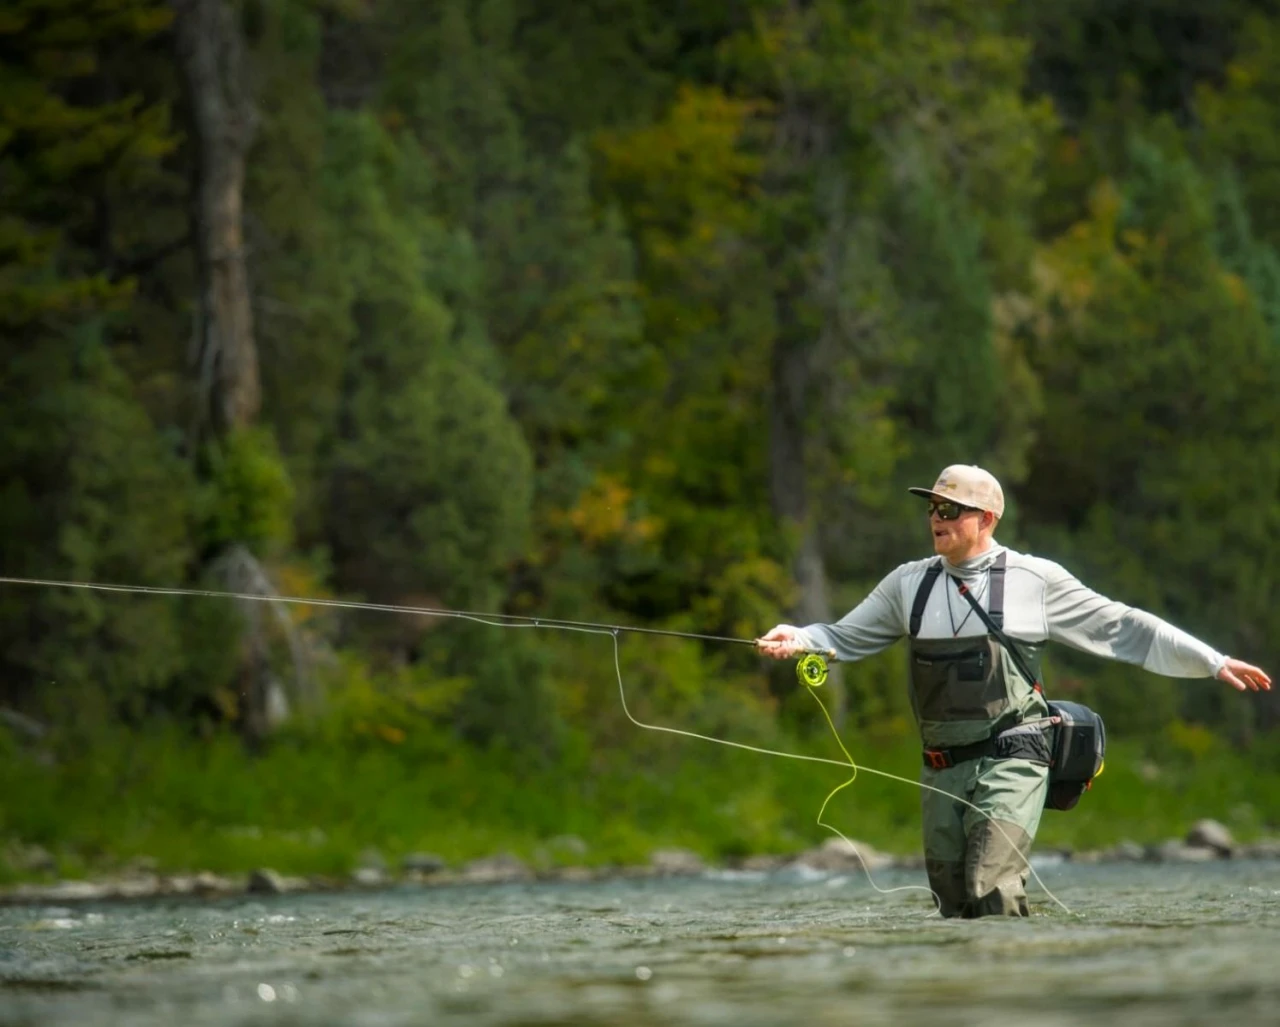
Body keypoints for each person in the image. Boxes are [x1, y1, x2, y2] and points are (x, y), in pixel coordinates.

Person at [757, 464, 1271, 918]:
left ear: (987, 519)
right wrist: (797, 638)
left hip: (1015, 756)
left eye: (953, 509)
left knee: (991, 888)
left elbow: (1124, 627)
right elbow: (842, 637)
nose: (937, 517)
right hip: (942, 764)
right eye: (934, 507)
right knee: (953, 901)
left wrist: (1212, 660)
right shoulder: (907, 584)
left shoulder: (1035, 580)